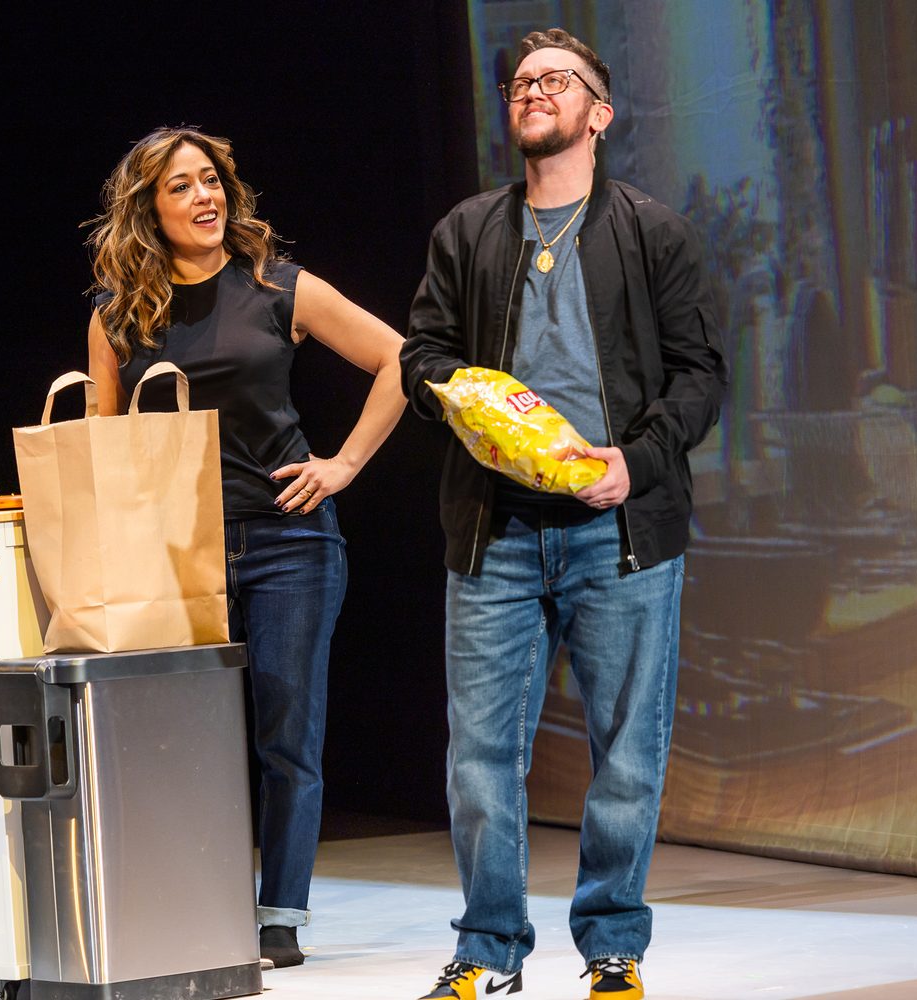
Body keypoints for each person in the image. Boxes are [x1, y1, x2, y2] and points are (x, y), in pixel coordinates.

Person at [400, 29, 727, 1000]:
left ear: (600, 112)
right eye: (521, 81)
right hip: (494, 531)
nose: (533, 90)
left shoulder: (651, 231)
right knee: (480, 756)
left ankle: (612, 945)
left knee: (626, 750)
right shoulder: (467, 232)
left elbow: (700, 375)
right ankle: (487, 947)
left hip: (617, 529)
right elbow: (421, 357)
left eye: (558, 80)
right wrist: (467, 402)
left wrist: (637, 463)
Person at [85, 126, 405, 968]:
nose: (205, 197)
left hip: (287, 540)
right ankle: (193, 905)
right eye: (181, 186)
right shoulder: (120, 315)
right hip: (174, 551)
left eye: (211, 180)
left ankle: (278, 918)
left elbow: (399, 360)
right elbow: (100, 443)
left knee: (286, 733)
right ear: (149, 210)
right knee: (180, 737)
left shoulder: (277, 287)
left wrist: (341, 466)